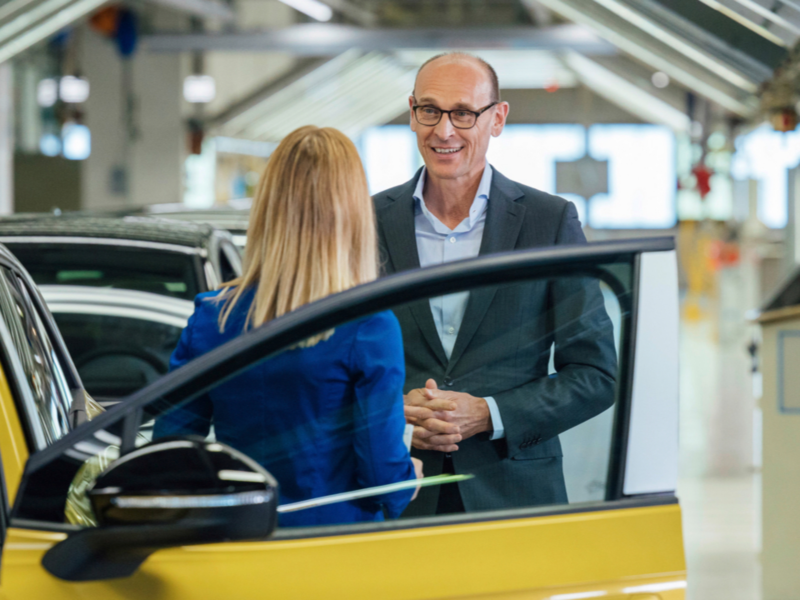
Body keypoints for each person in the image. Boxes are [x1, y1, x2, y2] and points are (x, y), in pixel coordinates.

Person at [373, 53, 617, 516]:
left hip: (514, 494)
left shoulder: (548, 222)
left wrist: (489, 413)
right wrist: (392, 415)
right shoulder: (365, 223)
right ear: (411, 113)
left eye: (464, 113)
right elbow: (330, 365)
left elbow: (595, 375)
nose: (444, 131)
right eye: (430, 110)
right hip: (393, 491)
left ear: (497, 118)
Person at [154, 125, 423, 527]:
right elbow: (381, 475)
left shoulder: (213, 317)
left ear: (268, 208)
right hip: (330, 551)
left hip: (236, 541)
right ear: (352, 214)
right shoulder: (367, 324)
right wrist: (409, 477)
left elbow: (170, 453)